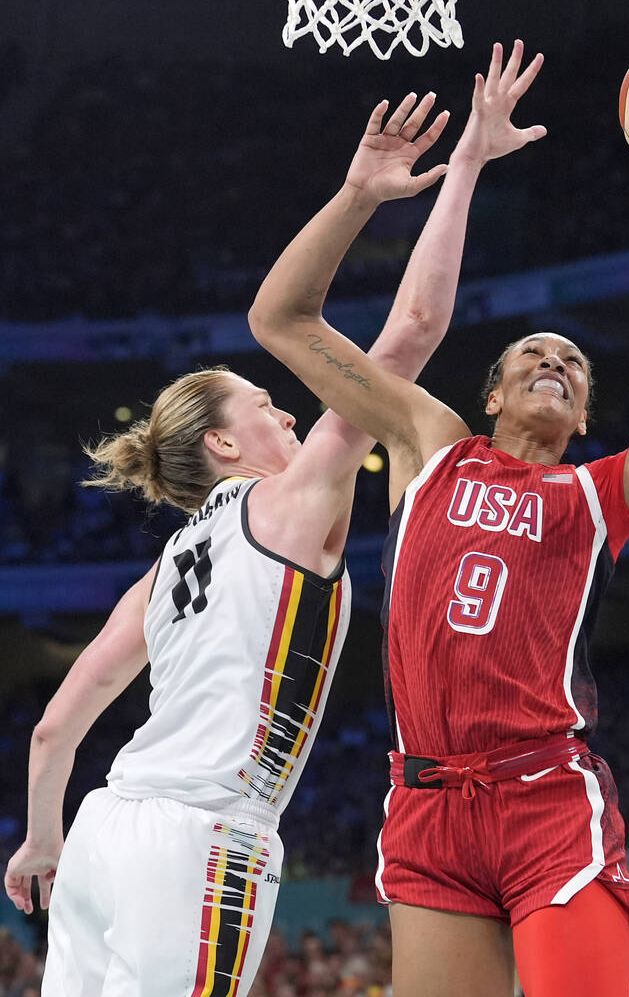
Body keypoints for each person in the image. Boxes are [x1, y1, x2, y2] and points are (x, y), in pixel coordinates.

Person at [248, 40, 629, 997]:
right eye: (534, 351)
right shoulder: (430, 443)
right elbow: (281, 319)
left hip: (543, 795)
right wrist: (363, 195)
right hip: (428, 804)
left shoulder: (599, 495)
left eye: (573, 366)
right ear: (490, 396)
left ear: (580, 415)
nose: (554, 363)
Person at [2, 76, 542, 995]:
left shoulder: (162, 573)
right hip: (203, 840)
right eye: (263, 404)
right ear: (221, 444)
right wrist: (465, 169)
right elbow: (409, 334)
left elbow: (59, 727)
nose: (289, 411)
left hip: (102, 831)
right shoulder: (291, 503)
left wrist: (42, 837)